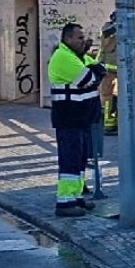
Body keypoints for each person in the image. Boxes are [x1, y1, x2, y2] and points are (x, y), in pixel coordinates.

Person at [48, 23, 106, 218]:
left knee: (79, 160)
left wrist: (92, 65)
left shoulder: (75, 56)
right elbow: (90, 77)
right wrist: (94, 68)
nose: (84, 41)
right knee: (70, 162)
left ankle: (76, 196)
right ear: (68, 39)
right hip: (69, 118)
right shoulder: (63, 57)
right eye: (80, 38)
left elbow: (100, 69)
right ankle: (64, 203)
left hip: (79, 119)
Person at [98, 12, 119, 135]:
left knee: (121, 97)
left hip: (121, 68)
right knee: (107, 96)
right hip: (108, 68)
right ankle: (109, 123)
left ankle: (117, 121)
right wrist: (119, 24)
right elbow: (107, 34)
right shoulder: (108, 28)